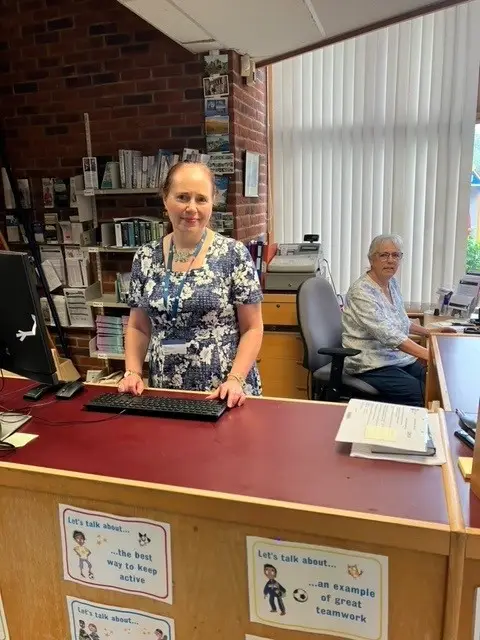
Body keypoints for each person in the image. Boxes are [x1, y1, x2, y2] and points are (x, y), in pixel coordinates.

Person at [118, 162, 264, 408]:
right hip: (164, 385)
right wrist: (132, 372)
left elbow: (253, 328)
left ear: (212, 204)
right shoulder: (145, 257)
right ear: (165, 200)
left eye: (201, 199)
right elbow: (138, 326)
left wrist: (236, 379)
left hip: (224, 391)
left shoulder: (233, 254)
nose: (191, 208)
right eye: (183, 197)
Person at [342, 234, 454, 406]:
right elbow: (389, 335)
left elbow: (399, 322)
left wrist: (430, 332)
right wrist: (431, 355)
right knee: (421, 394)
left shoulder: (391, 283)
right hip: (370, 362)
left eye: (395, 255)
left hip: (395, 358)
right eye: (384, 255)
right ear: (372, 259)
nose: (390, 260)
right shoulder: (361, 292)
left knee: (438, 383)